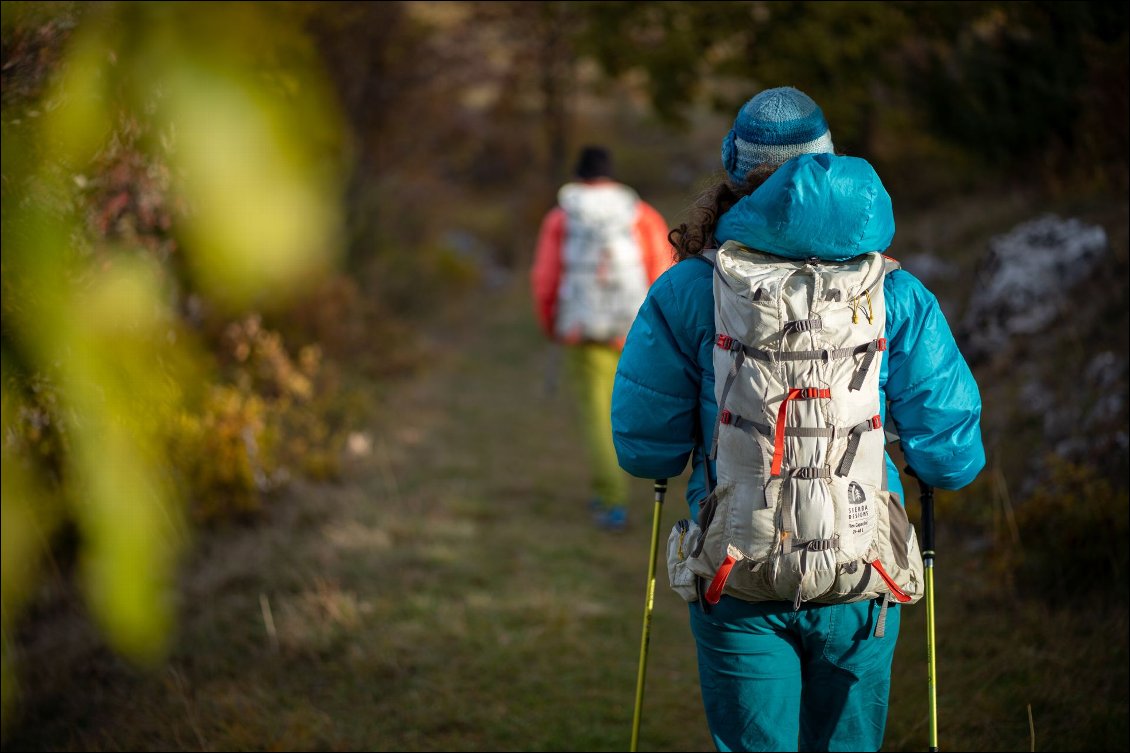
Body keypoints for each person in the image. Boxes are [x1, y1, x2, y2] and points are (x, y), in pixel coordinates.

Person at [610, 87, 985, 750]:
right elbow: (951, 458)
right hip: (863, 575)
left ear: (735, 174)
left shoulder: (690, 289)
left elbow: (646, 450)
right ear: (830, 163)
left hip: (736, 574)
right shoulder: (894, 290)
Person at [531, 145, 673, 532]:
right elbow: (662, 271)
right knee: (632, 409)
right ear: (613, 177)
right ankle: (653, 486)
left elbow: (545, 278)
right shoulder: (641, 215)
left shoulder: (562, 218)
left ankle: (611, 501)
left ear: (578, 177)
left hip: (584, 331)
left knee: (598, 415)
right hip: (634, 332)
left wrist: (553, 325)